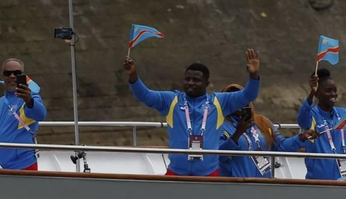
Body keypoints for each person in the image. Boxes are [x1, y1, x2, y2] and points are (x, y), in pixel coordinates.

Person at [125, 49, 261, 177]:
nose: (190, 83)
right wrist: (133, 76)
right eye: (187, 79)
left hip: (209, 174)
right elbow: (145, 95)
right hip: (176, 173)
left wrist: (253, 75)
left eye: (196, 80)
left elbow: (248, 95)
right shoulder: (171, 100)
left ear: (206, 83)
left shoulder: (220, 102)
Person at [216, 84, 310, 179]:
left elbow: (281, 146)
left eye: (240, 98)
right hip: (237, 184)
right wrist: (237, 134)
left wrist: (301, 138)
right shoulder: (219, 126)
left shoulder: (262, 122)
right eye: (233, 100)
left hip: (263, 183)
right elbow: (218, 156)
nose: (238, 103)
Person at [0, 58, 47, 170]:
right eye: (7, 73)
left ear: (23, 76)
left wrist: (29, 100)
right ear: (3, 77)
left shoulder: (30, 97)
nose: (12, 76)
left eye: (17, 73)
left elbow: (40, 114)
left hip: (22, 165)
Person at [296, 68, 346, 180]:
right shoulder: (312, 114)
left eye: (335, 90)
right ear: (318, 93)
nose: (333, 94)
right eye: (328, 90)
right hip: (318, 180)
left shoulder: (344, 114)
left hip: (344, 179)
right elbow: (301, 121)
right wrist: (311, 94)